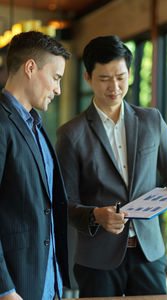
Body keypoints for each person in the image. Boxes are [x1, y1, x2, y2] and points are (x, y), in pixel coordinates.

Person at [56, 35, 167, 297]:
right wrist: (95, 215)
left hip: (148, 253)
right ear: (88, 77)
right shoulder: (70, 134)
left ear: (130, 73)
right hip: (96, 259)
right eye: (104, 78)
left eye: (121, 76)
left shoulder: (151, 120)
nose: (115, 86)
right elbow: (64, 203)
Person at [0, 31, 71, 300]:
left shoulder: (37, 126)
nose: (58, 89)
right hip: (16, 287)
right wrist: (5, 289)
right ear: (30, 67)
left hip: (47, 282)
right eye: (56, 77)